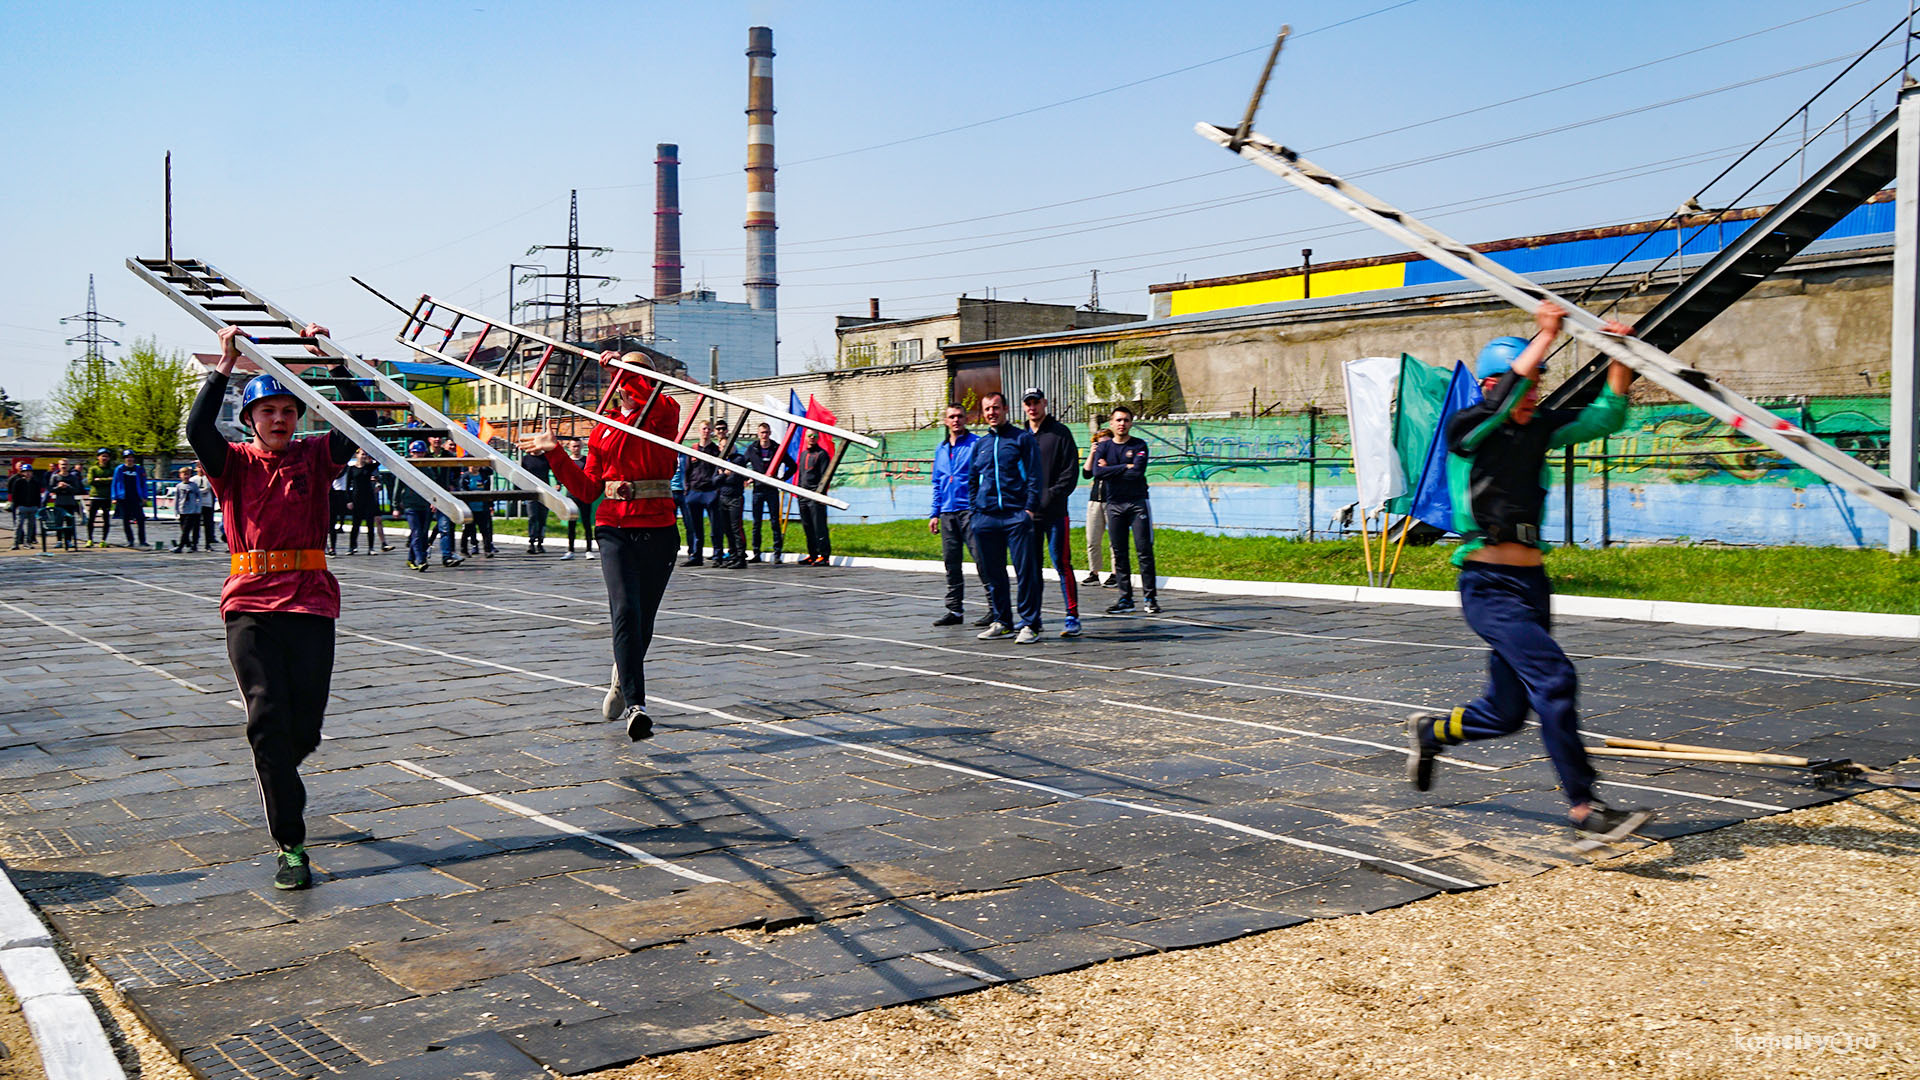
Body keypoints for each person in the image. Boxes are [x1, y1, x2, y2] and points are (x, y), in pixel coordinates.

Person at [1405, 301, 1654, 847]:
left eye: (1540, 384)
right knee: (1555, 679)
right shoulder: (1467, 429)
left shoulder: (1538, 429)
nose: (1535, 394)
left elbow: (1605, 416)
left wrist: (1618, 355)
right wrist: (1544, 338)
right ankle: (1585, 807)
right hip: (1487, 587)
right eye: (1528, 382)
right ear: (1493, 384)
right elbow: (1501, 402)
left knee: (1507, 712)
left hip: (1531, 587)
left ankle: (1432, 731)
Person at [187, 320, 357, 891]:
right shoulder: (231, 462)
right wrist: (226, 364)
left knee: (301, 729)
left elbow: (361, 424)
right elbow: (195, 427)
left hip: (310, 605)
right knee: (266, 720)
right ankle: (291, 843)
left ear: (299, 417)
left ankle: (280, 772)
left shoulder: (315, 457)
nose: (279, 419)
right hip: (250, 607)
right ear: (251, 419)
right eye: (268, 412)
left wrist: (327, 358)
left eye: (288, 410)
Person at [518, 352, 681, 741]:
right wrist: (555, 452)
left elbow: (649, 394)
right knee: (624, 609)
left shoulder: (664, 411)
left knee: (644, 620)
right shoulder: (602, 427)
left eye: (634, 374)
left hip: (658, 526)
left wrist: (620, 365)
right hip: (614, 527)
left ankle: (620, 677)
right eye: (624, 375)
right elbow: (588, 489)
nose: (624, 383)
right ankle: (636, 705)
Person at [966, 392, 1044, 642]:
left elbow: (1034, 476)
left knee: (1026, 572)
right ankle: (1002, 621)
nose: (992, 413)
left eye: (996, 408)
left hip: (1015, 517)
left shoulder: (1021, 439)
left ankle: (1029, 623)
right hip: (986, 518)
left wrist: (1028, 510)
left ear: (1006, 409)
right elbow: (972, 480)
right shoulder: (981, 445)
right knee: (994, 573)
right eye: (987, 409)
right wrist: (975, 512)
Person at [1022, 388, 1082, 637]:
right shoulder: (1021, 436)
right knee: (1031, 567)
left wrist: (1049, 496)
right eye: (1028, 403)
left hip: (1056, 513)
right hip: (1028, 516)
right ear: (1024, 407)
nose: (1033, 407)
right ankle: (1033, 619)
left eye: (1036, 402)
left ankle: (1072, 616)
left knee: (1062, 563)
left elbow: (1070, 472)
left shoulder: (1060, 433)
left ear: (1044, 403)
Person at [1092, 406, 1160, 615]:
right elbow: (1097, 472)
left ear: (1131, 423)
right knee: (1119, 552)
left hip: (1137, 502)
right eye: (1118, 420)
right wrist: (1125, 466)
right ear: (1111, 424)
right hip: (1114, 504)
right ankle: (1125, 598)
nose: (1122, 424)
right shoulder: (1104, 448)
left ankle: (1150, 598)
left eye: (1126, 420)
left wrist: (1112, 469)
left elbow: (1137, 472)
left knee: (1144, 551)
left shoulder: (1139, 445)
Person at [927, 402, 981, 627]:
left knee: (982, 560)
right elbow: (938, 483)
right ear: (946, 421)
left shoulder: (976, 444)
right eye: (952, 417)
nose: (956, 420)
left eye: (960, 416)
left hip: (970, 511)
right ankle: (954, 610)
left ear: (966, 419)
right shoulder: (940, 449)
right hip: (948, 513)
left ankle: (995, 608)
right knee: (951, 563)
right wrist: (934, 513)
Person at [742, 421, 789, 564]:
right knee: (757, 523)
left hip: (772, 490)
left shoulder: (776, 448)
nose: (764, 435)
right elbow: (741, 464)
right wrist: (747, 478)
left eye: (767, 432)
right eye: (762, 433)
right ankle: (756, 552)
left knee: (775, 522)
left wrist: (781, 479)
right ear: (758, 434)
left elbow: (792, 465)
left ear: (770, 433)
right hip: (758, 490)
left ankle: (777, 553)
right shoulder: (752, 449)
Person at [1080, 428, 1116, 587]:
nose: (1104, 446)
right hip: (1095, 500)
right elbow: (1086, 474)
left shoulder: (1117, 456)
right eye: (1100, 443)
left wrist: (1107, 465)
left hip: (1112, 500)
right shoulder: (1096, 457)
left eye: (1107, 443)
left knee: (1114, 540)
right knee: (1092, 539)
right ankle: (1094, 572)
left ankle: (1116, 573)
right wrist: (1092, 453)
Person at [795, 430, 833, 566]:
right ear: (805, 438)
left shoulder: (822, 454)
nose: (812, 438)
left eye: (814, 436)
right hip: (803, 496)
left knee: (819, 526)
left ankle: (824, 555)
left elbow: (825, 476)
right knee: (807, 526)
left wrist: (819, 494)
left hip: (815, 496)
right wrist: (799, 492)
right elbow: (800, 474)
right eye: (809, 436)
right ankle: (812, 554)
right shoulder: (804, 454)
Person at [397, 441, 436, 571]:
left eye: (420, 453)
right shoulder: (406, 469)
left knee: (423, 534)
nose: (418, 455)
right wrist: (396, 506)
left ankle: (411, 558)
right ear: (411, 453)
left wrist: (434, 501)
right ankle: (421, 560)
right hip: (410, 505)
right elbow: (398, 487)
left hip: (424, 505)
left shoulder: (427, 469)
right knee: (417, 532)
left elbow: (433, 487)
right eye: (415, 453)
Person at [714, 440, 749, 570]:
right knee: (727, 529)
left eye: (728, 446)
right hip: (722, 497)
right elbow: (714, 480)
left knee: (736, 528)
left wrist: (722, 476)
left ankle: (740, 557)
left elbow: (734, 479)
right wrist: (724, 475)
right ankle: (733, 555)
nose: (726, 448)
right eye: (723, 446)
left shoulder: (739, 459)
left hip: (735, 497)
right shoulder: (720, 460)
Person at [343, 449, 380, 554]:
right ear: (357, 455)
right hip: (356, 498)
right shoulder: (352, 469)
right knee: (355, 524)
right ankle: (352, 547)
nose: (364, 456)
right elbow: (347, 486)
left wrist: (371, 455)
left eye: (366, 455)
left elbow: (379, 461)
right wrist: (349, 500)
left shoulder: (369, 467)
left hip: (368, 498)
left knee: (370, 524)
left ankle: (371, 548)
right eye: (362, 454)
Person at [112, 450, 150, 549]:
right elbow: (115, 483)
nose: (130, 459)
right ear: (124, 459)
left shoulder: (139, 469)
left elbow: (143, 483)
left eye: (131, 457)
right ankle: (130, 540)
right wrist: (114, 497)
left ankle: (142, 540)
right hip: (124, 498)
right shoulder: (120, 469)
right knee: (126, 520)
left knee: (140, 519)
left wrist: (145, 496)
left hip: (136, 497)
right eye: (127, 457)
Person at [459, 464, 497, 558]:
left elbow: (488, 491)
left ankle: (487, 550)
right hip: (470, 509)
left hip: (482, 507)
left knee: (485, 530)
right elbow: (462, 489)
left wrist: (490, 505)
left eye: (477, 464)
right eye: (473, 464)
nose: (475, 466)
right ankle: (464, 550)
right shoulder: (465, 477)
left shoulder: (484, 477)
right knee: (468, 530)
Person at [46, 460, 82, 551]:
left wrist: (67, 486)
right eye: (62, 464)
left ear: (69, 466)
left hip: (70, 502)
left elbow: (77, 489)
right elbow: (50, 489)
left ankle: (69, 540)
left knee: (70, 522)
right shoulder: (55, 476)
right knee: (59, 522)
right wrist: (59, 487)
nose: (64, 466)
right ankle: (59, 541)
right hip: (59, 502)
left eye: (65, 464)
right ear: (58, 466)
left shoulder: (72, 477)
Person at [521, 449, 551, 554]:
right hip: (531, 491)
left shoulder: (546, 458)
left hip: (544, 491)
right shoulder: (525, 459)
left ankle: (540, 542)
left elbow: (557, 470)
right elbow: (519, 474)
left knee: (542, 517)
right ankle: (532, 542)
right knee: (532, 516)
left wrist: (558, 483)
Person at [83, 448, 115, 547]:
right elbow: (90, 481)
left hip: (106, 497)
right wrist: (106, 480)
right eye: (102, 456)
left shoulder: (111, 469)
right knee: (91, 519)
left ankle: (103, 540)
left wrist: (99, 480)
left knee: (106, 519)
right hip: (95, 497)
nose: (104, 458)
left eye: (106, 456)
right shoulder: (93, 469)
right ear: (98, 457)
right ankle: (89, 539)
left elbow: (113, 481)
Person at [7, 462, 42, 549]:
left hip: (33, 507)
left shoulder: (35, 482)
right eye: (25, 471)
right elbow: (15, 495)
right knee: (19, 525)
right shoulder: (18, 482)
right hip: (22, 507)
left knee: (31, 526)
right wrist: (16, 506)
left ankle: (28, 542)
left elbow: (38, 495)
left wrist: (38, 506)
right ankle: (16, 543)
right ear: (22, 472)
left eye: (29, 471)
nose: (27, 473)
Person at [173, 466, 204, 552]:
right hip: (182, 510)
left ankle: (181, 546)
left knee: (187, 529)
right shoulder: (179, 486)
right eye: (184, 474)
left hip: (192, 510)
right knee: (183, 528)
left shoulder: (194, 486)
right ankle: (189, 544)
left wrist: (198, 508)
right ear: (180, 475)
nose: (186, 476)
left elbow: (199, 497)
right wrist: (176, 510)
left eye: (188, 474)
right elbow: (177, 499)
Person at [195, 465, 222, 553]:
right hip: (196, 505)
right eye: (199, 467)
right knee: (195, 525)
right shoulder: (193, 480)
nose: (200, 469)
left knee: (208, 525)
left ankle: (208, 543)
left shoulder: (209, 479)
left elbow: (209, 489)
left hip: (207, 504)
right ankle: (194, 543)